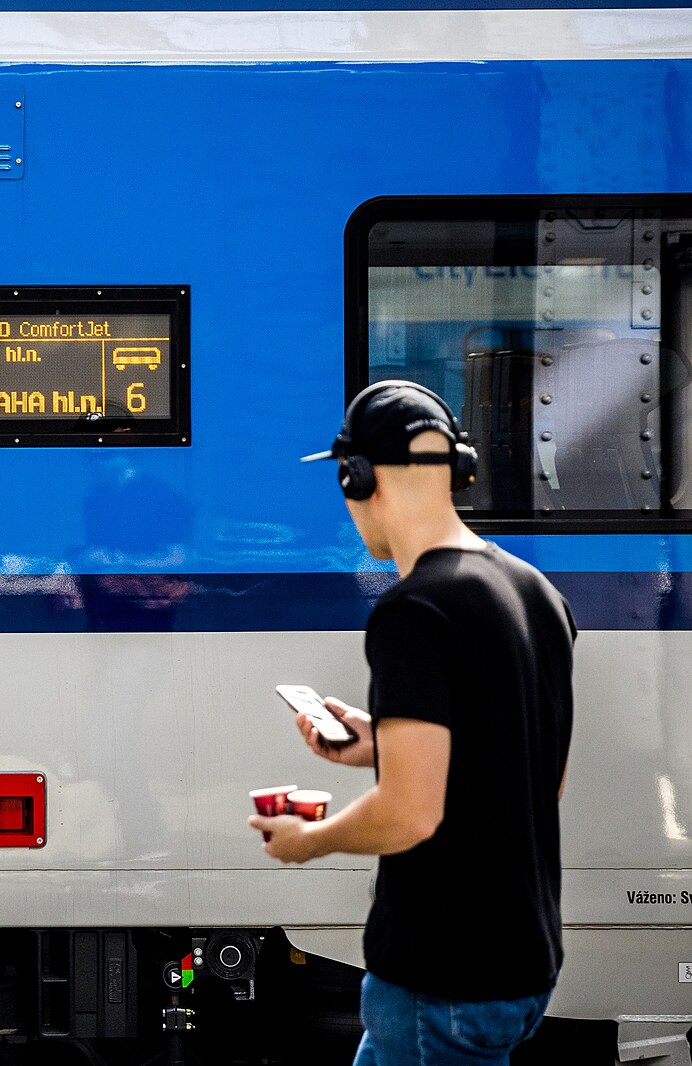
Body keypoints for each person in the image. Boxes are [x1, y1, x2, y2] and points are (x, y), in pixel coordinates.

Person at [249, 381, 575, 1066]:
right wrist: (385, 741)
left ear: (358, 477)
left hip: (441, 977)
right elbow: (537, 775)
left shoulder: (414, 610)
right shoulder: (535, 592)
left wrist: (308, 840)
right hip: (522, 964)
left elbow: (408, 816)